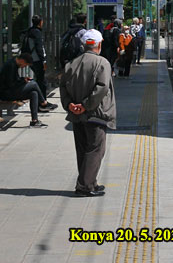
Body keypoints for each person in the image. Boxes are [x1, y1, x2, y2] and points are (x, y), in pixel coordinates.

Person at [60, 29, 116, 197]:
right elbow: (102, 87)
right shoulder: (102, 63)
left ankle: (90, 182)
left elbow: (63, 87)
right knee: (95, 149)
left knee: (82, 149)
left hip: (76, 115)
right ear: (99, 44)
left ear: (84, 45)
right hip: (95, 113)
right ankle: (85, 186)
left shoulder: (71, 64)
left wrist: (70, 105)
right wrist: (86, 105)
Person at [0, 53, 49, 127]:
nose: (24, 67)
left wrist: (23, 79)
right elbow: (11, 84)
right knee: (34, 84)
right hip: (6, 93)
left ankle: (34, 121)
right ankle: (43, 102)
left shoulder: (14, 64)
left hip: (11, 91)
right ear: (22, 61)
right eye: (25, 65)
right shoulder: (11, 65)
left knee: (34, 93)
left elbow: (14, 80)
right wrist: (23, 81)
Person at [23, 15, 49, 100]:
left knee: (39, 80)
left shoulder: (29, 31)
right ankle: (42, 101)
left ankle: (39, 100)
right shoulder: (37, 32)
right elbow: (39, 47)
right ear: (40, 22)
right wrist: (43, 61)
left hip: (31, 60)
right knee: (42, 82)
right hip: (37, 59)